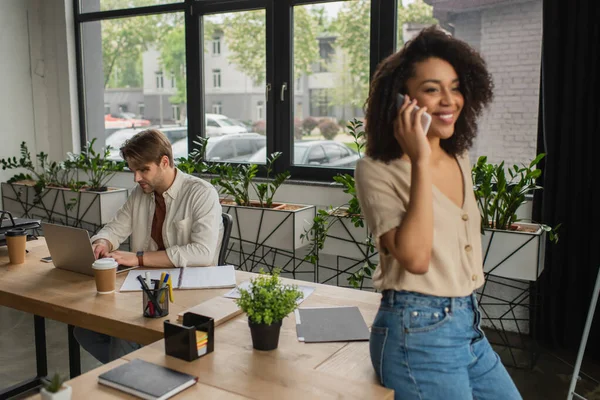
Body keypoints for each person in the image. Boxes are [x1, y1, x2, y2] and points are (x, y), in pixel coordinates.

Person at [355, 26, 521, 399]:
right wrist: (420, 161)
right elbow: (415, 257)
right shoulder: (376, 169)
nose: (449, 100)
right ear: (401, 100)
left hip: (467, 325)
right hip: (417, 332)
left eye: (456, 86)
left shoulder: (459, 156)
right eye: (432, 89)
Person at [74, 129, 223, 364]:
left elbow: (202, 253)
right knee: (84, 328)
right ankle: (143, 370)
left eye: (144, 170)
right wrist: (102, 242)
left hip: (189, 294)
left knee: (124, 336)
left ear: (164, 162)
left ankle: (132, 374)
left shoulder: (201, 193)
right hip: (145, 289)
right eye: (133, 170)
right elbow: (115, 228)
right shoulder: (140, 194)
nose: (137, 178)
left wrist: (139, 258)